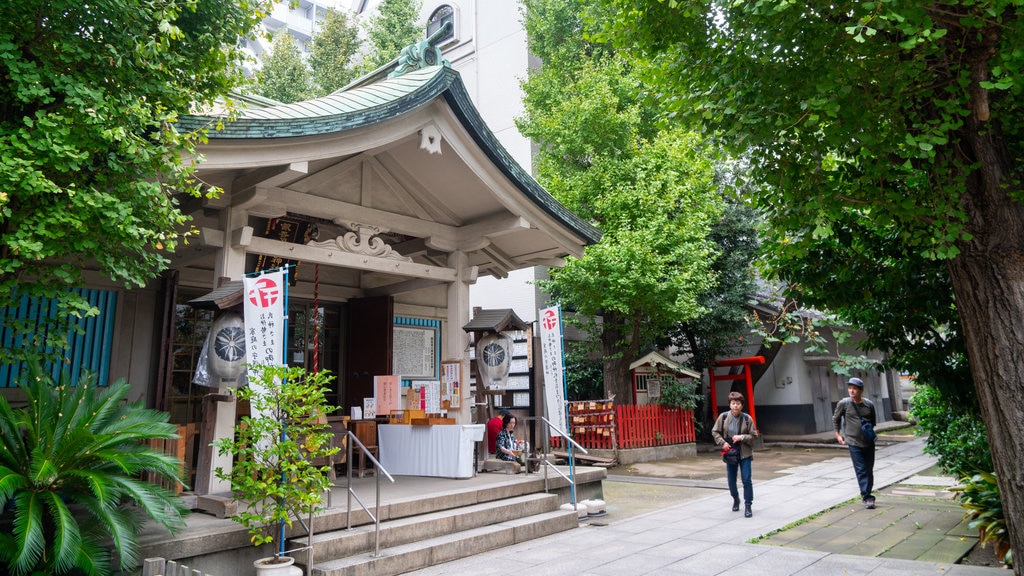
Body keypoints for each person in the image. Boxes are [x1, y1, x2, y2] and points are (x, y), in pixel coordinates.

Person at [833, 376, 877, 509]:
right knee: (861, 469)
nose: (852, 391)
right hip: (853, 441)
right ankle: (867, 496)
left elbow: (873, 422)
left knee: (869, 470)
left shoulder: (869, 404)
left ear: (861, 390)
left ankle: (867, 492)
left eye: (855, 389)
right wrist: (838, 435)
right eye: (850, 388)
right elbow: (835, 419)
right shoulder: (844, 403)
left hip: (868, 442)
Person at [712, 391, 756, 517]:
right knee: (731, 480)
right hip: (730, 451)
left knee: (746, 479)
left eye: (738, 403)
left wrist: (742, 437)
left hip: (744, 452)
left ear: (742, 405)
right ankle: (736, 499)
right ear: (729, 404)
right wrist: (722, 443)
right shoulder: (724, 417)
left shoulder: (747, 419)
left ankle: (748, 505)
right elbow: (715, 431)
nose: (735, 406)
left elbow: (754, 436)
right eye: (733, 403)